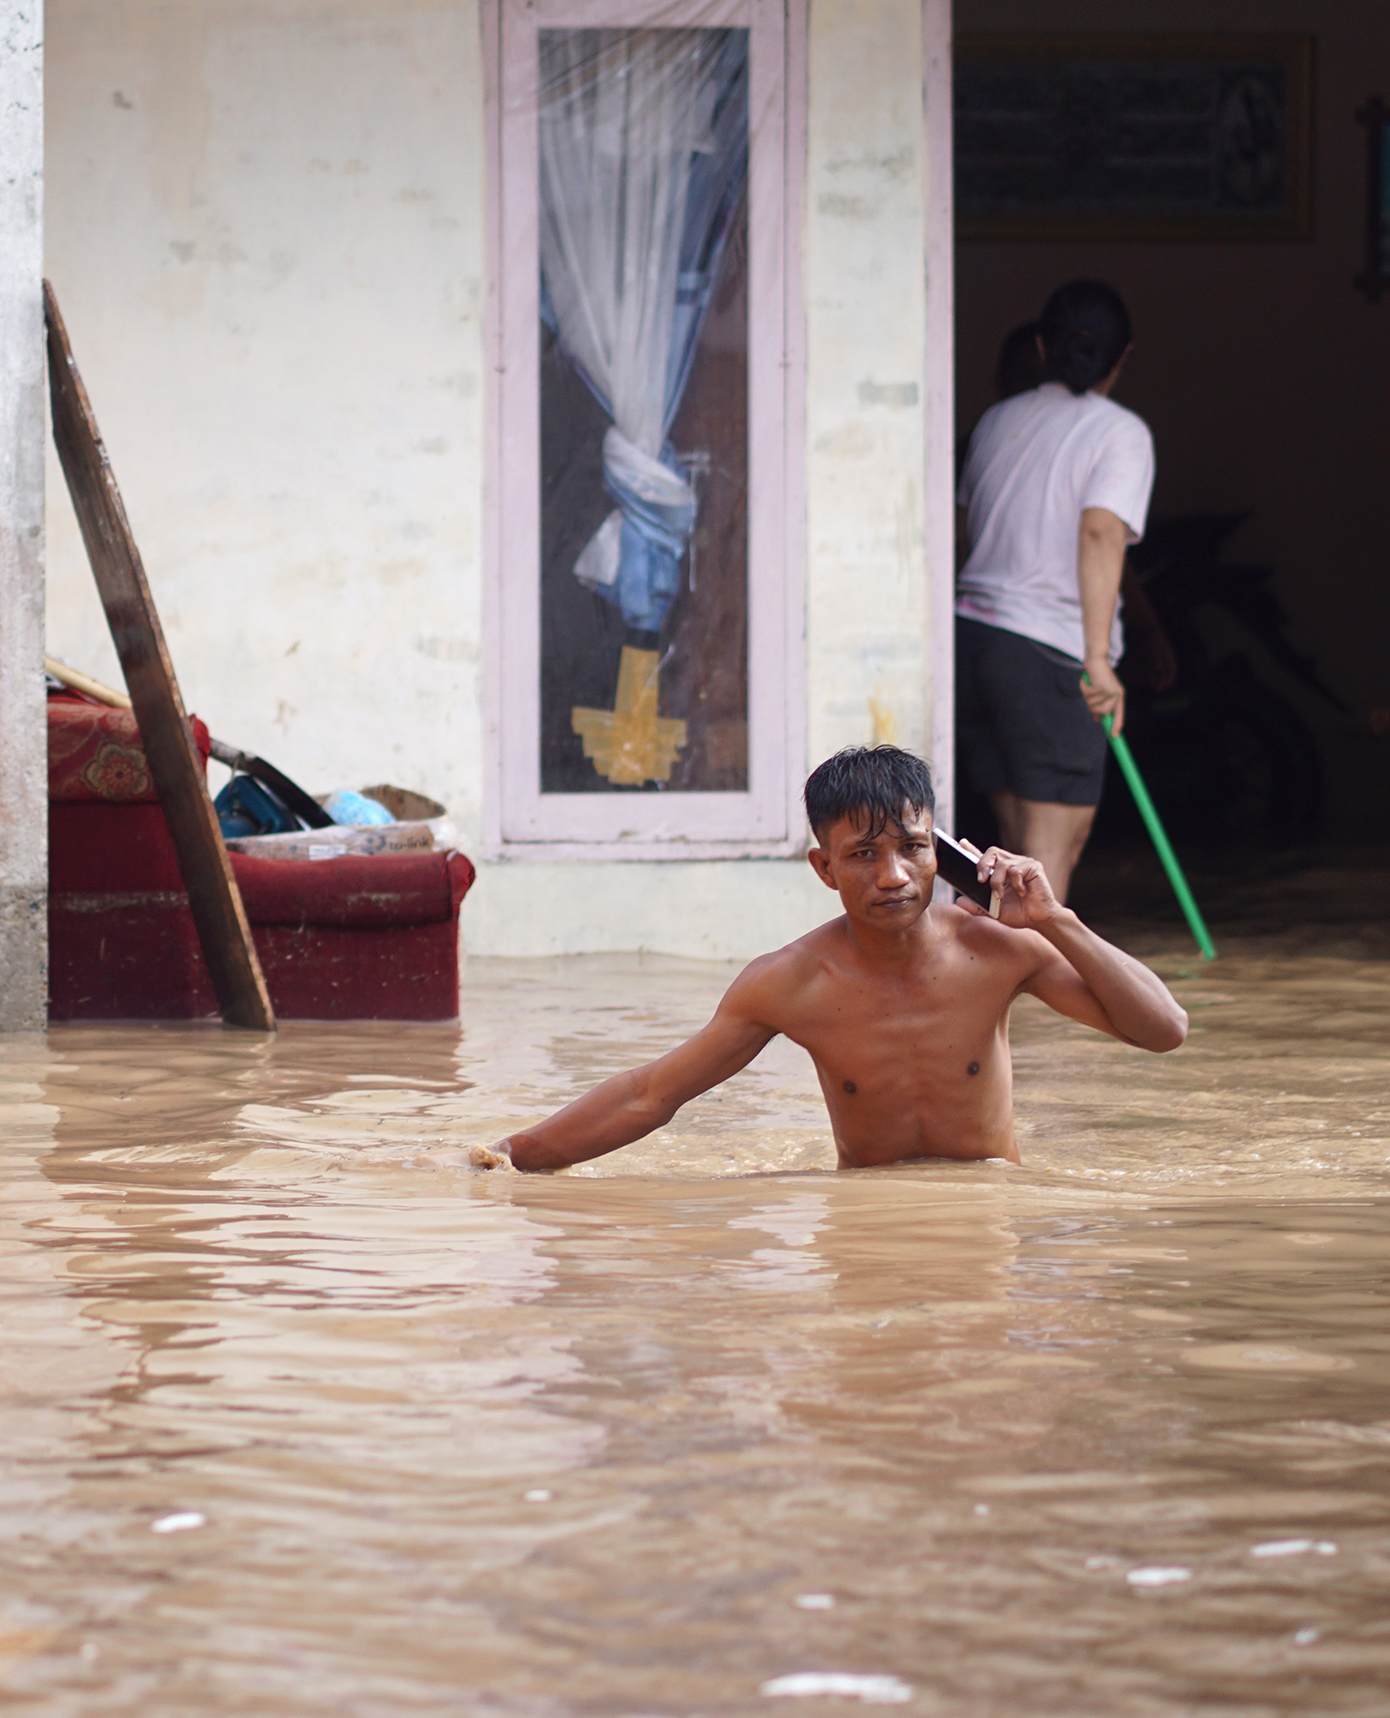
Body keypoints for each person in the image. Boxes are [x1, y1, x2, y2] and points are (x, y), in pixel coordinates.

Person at [471, 747, 1185, 1173]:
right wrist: (508, 1155)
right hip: (866, 1227)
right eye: (864, 855)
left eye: (912, 848)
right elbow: (651, 1094)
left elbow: (1163, 1031)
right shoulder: (791, 982)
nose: (895, 876)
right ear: (823, 867)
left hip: (985, 1210)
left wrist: (1058, 922)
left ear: (939, 851)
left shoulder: (999, 951)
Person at [955, 280, 1151, 902]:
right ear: (1123, 358)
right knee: (1048, 853)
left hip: (975, 642)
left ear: (1041, 345)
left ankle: (1000, 996)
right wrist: (1098, 658)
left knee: (1014, 852)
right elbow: (1099, 531)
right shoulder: (1118, 433)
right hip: (1048, 652)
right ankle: (1033, 994)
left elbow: (967, 530)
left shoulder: (995, 421)